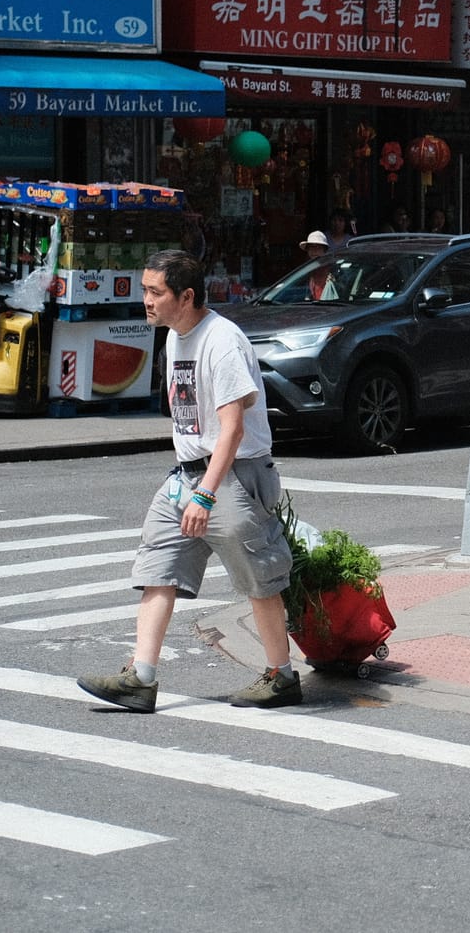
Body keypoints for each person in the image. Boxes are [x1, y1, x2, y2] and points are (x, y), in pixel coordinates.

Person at [78, 250, 301, 711]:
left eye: (155, 292)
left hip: (232, 475)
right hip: (187, 475)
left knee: (258, 578)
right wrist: (191, 486)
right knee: (157, 568)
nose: (146, 300)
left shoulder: (221, 340)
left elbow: (233, 429)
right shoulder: (174, 337)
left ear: (186, 297)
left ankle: (281, 676)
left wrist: (205, 494)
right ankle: (141, 678)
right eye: (145, 290)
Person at [298, 230, 335, 300]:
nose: (314, 251)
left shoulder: (333, 269)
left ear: (324, 250)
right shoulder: (307, 270)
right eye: (311, 247)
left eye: (318, 247)